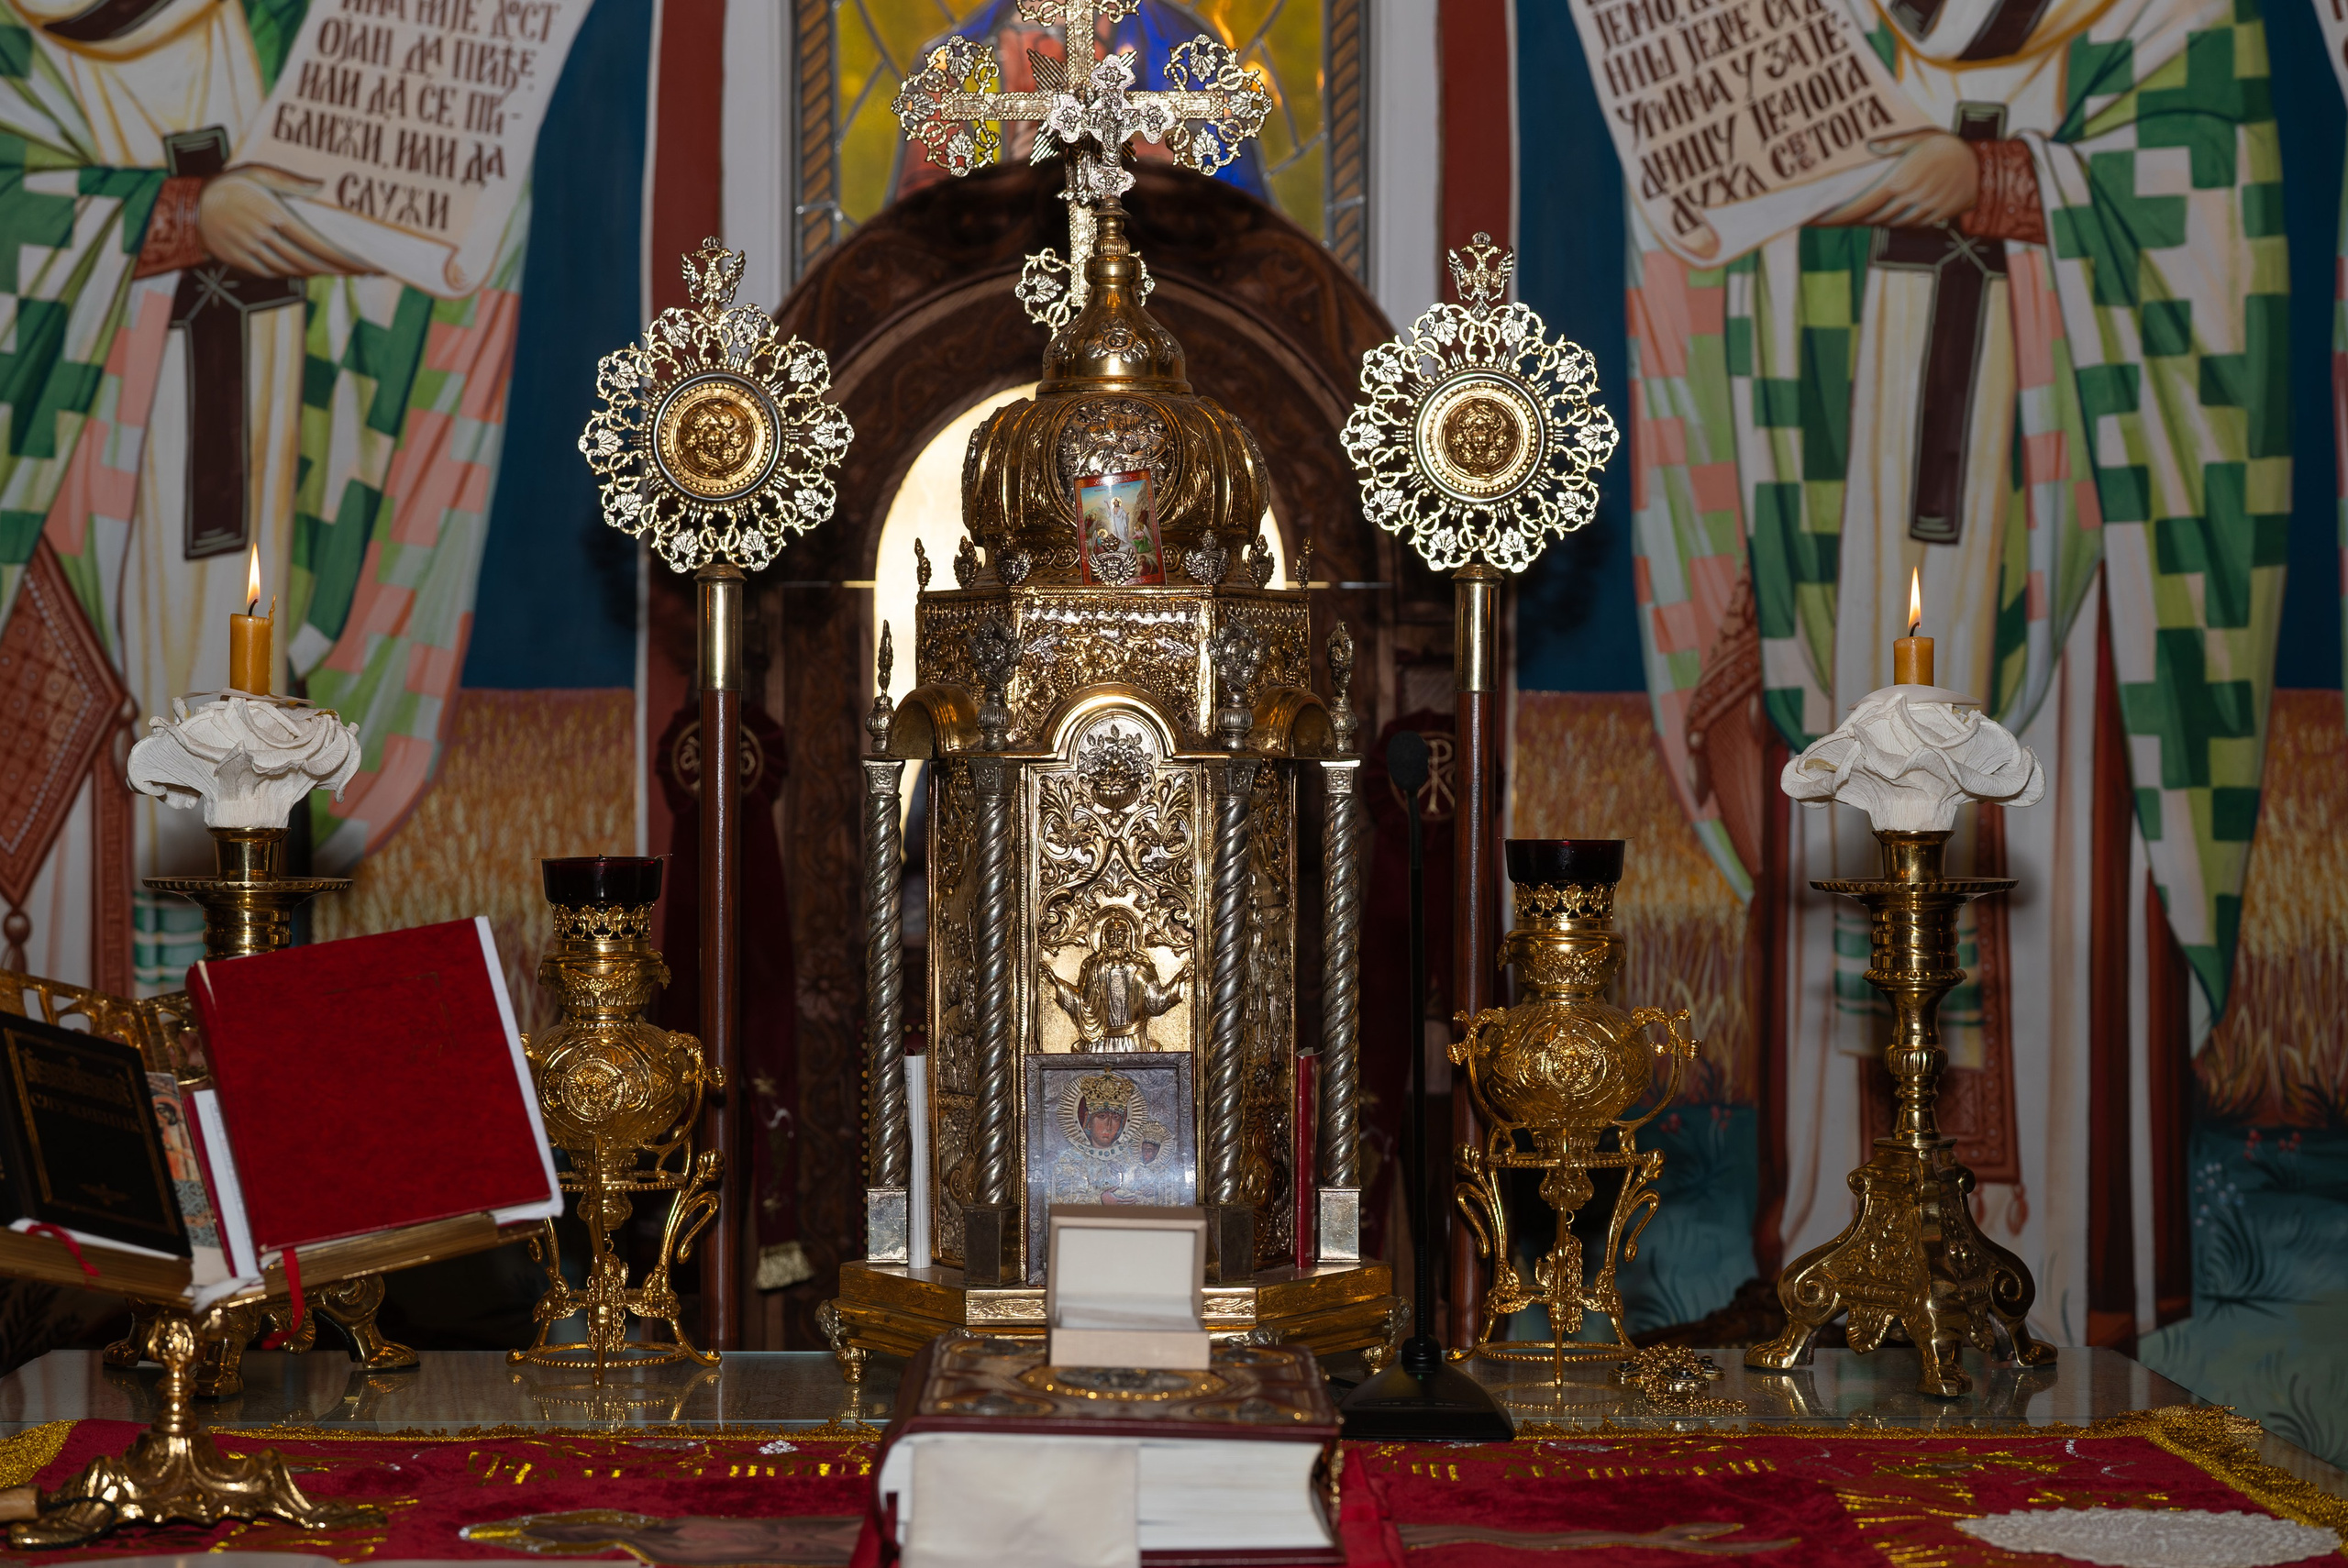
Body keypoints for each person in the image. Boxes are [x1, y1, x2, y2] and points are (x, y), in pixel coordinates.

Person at [1623, 0, 2287, 1336]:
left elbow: (2215, 236)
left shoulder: (2171, 12)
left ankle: (2044, 1273)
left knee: (2044, 839)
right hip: (1843, 494)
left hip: (2073, 504)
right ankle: (1830, 1242)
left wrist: (1995, 181)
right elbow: (1721, 218)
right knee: (1847, 812)